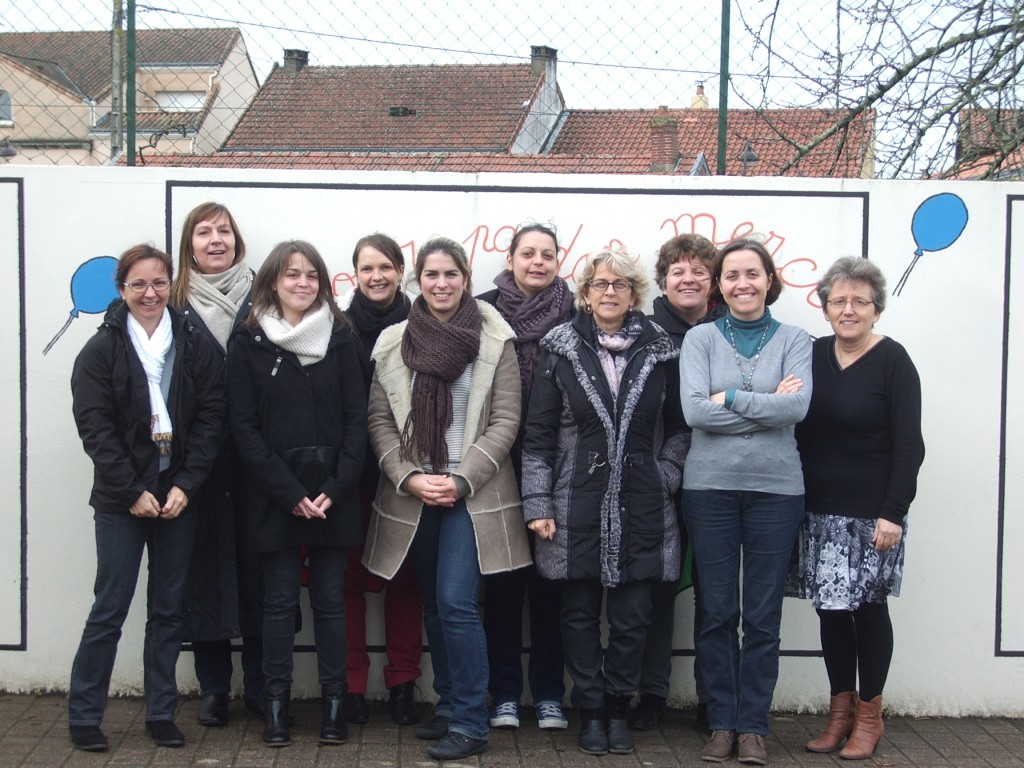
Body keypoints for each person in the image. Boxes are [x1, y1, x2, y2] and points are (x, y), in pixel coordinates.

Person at [362, 236, 531, 761]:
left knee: (457, 602)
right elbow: (380, 421)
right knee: (435, 604)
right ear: (418, 280)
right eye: (431, 275)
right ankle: (453, 701)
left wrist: (461, 478)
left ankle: (470, 722)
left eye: (451, 274)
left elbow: (506, 420)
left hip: (472, 493)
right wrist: (409, 475)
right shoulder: (394, 343)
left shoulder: (496, 338)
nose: (441, 284)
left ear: (465, 277)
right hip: (417, 493)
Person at [522, 248, 689, 756]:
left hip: (643, 502)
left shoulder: (662, 351)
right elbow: (538, 436)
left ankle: (619, 707)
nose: (609, 292)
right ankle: (590, 711)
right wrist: (538, 504)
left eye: (619, 284)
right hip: (575, 501)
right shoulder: (562, 349)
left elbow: (680, 430)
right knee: (576, 615)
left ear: (635, 294)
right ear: (586, 294)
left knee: (633, 617)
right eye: (599, 284)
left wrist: (665, 475)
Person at [68, 244, 225, 752]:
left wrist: (186, 484)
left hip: (179, 497)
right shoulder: (100, 350)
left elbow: (210, 418)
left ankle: (160, 713)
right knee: (109, 607)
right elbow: (95, 430)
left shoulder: (195, 342)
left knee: (168, 609)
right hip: (121, 502)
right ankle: (85, 715)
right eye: (138, 284)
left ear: (170, 285)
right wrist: (132, 490)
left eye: (158, 283)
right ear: (122, 290)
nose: (150, 293)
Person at [228, 241, 367, 748]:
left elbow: (359, 420)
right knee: (279, 602)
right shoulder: (249, 341)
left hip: (334, 495)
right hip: (274, 497)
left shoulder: (343, 339)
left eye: (311, 275)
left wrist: (335, 487)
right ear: (273, 282)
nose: (303, 283)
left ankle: (334, 708)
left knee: (331, 601)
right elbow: (242, 427)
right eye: (292, 275)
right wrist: (287, 491)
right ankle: (276, 707)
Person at [680, 237, 812, 765]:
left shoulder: (796, 338)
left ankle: (753, 726)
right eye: (731, 275)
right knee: (716, 611)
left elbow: (797, 408)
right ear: (720, 285)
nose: (742, 284)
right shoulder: (701, 339)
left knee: (762, 616)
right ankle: (721, 722)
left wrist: (731, 397)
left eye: (752, 274)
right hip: (708, 489)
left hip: (777, 492)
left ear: (769, 279)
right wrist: (767, 404)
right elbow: (694, 413)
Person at [792, 257, 924, 760]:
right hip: (819, 511)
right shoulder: (811, 355)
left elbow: (910, 445)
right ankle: (839, 714)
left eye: (859, 302)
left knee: (869, 611)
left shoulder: (894, 361)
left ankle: (870, 717)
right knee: (830, 613)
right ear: (825, 308)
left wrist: (894, 511)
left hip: (873, 516)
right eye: (839, 301)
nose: (849, 310)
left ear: (876, 309)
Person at [171, 202, 264, 727]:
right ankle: (212, 689)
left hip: (254, 466)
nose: (215, 240)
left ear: (237, 239)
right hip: (198, 466)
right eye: (203, 233)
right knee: (203, 574)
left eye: (223, 231)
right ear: (189, 245)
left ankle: (257, 685)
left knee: (257, 575)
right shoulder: (174, 302)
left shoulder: (263, 296)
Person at [476, 223, 572, 732]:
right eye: (528, 253)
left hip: (561, 469)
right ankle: (506, 693)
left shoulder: (576, 314)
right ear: (509, 257)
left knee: (552, 587)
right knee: (505, 587)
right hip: (495, 468)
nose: (538, 261)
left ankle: (551, 693)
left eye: (547, 254)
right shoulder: (483, 310)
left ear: (560, 261)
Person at [637, 233, 723, 732]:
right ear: (664, 279)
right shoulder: (645, 332)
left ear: (711, 282)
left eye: (698, 271)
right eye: (678, 271)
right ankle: (652, 692)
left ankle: (713, 698)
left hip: (715, 477)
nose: (688, 279)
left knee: (714, 593)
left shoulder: (729, 328)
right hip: (658, 480)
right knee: (657, 588)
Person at [339, 233, 422, 726]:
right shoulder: (335, 327)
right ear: (355, 273)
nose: (377, 276)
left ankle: (403, 684)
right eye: (367, 268)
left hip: (407, 473)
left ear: (399, 271)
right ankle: (351, 684)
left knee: (404, 579)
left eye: (386, 267)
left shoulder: (421, 325)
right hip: (352, 474)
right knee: (347, 579)